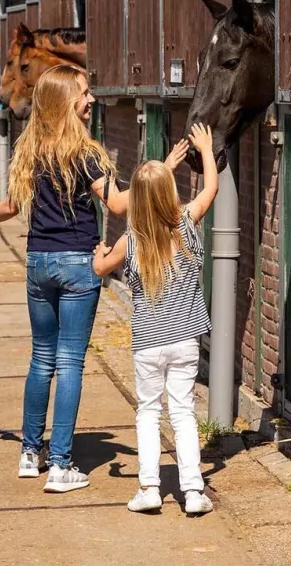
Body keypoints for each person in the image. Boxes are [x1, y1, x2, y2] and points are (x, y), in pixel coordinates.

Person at [0, 66, 185, 492]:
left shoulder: (30, 149)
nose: (91, 101)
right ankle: (61, 464)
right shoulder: (85, 153)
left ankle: (29, 453)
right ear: (67, 102)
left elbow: (13, 206)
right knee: (70, 360)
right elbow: (121, 205)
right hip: (76, 264)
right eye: (85, 94)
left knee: (41, 359)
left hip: (38, 263)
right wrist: (162, 172)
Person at [93, 123, 218, 516]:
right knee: (182, 411)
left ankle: (149, 488)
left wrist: (100, 251)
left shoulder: (129, 242)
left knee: (148, 411)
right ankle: (193, 492)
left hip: (149, 344)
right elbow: (210, 189)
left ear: (136, 201)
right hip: (184, 341)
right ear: (170, 193)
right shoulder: (184, 225)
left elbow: (100, 269)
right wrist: (207, 149)